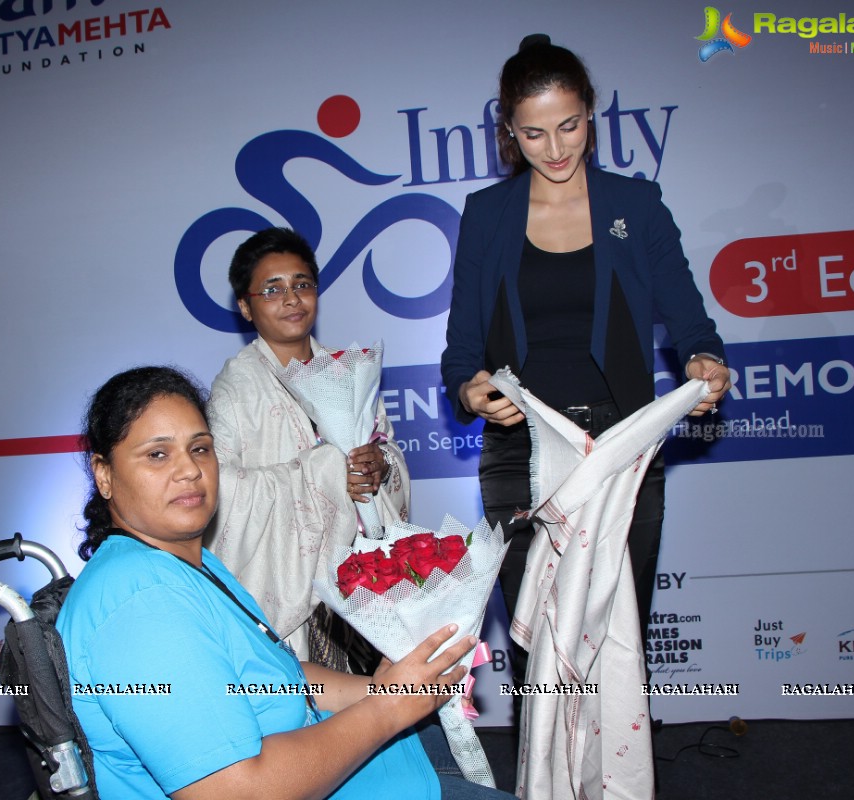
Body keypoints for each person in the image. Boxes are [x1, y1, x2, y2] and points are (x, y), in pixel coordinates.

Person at [56, 366, 511, 799]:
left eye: (199, 448)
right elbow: (236, 790)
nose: (190, 470)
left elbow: (279, 678)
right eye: (157, 454)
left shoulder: (183, 563)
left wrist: (386, 690)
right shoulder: (142, 606)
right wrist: (390, 708)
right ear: (104, 475)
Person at [440, 36, 732, 673]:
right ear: (510, 133)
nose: (556, 148)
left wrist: (705, 361)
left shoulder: (636, 204)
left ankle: (621, 774)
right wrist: (468, 389)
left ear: (591, 115)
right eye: (534, 134)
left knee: (618, 635)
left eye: (569, 126)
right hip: (521, 448)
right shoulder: (486, 215)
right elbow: (462, 348)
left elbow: (691, 323)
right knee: (536, 641)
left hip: (622, 443)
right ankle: (543, 776)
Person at [205, 227, 410, 670]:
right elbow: (221, 492)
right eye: (272, 289)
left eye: (302, 284)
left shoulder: (350, 371)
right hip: (293, 585)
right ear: (246, 306)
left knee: (391, 702)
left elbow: (388, 453)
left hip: (367, 570)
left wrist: (380, 465)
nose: (292, 299)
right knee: (320, 724)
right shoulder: (235, 390)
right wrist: (324, 472)